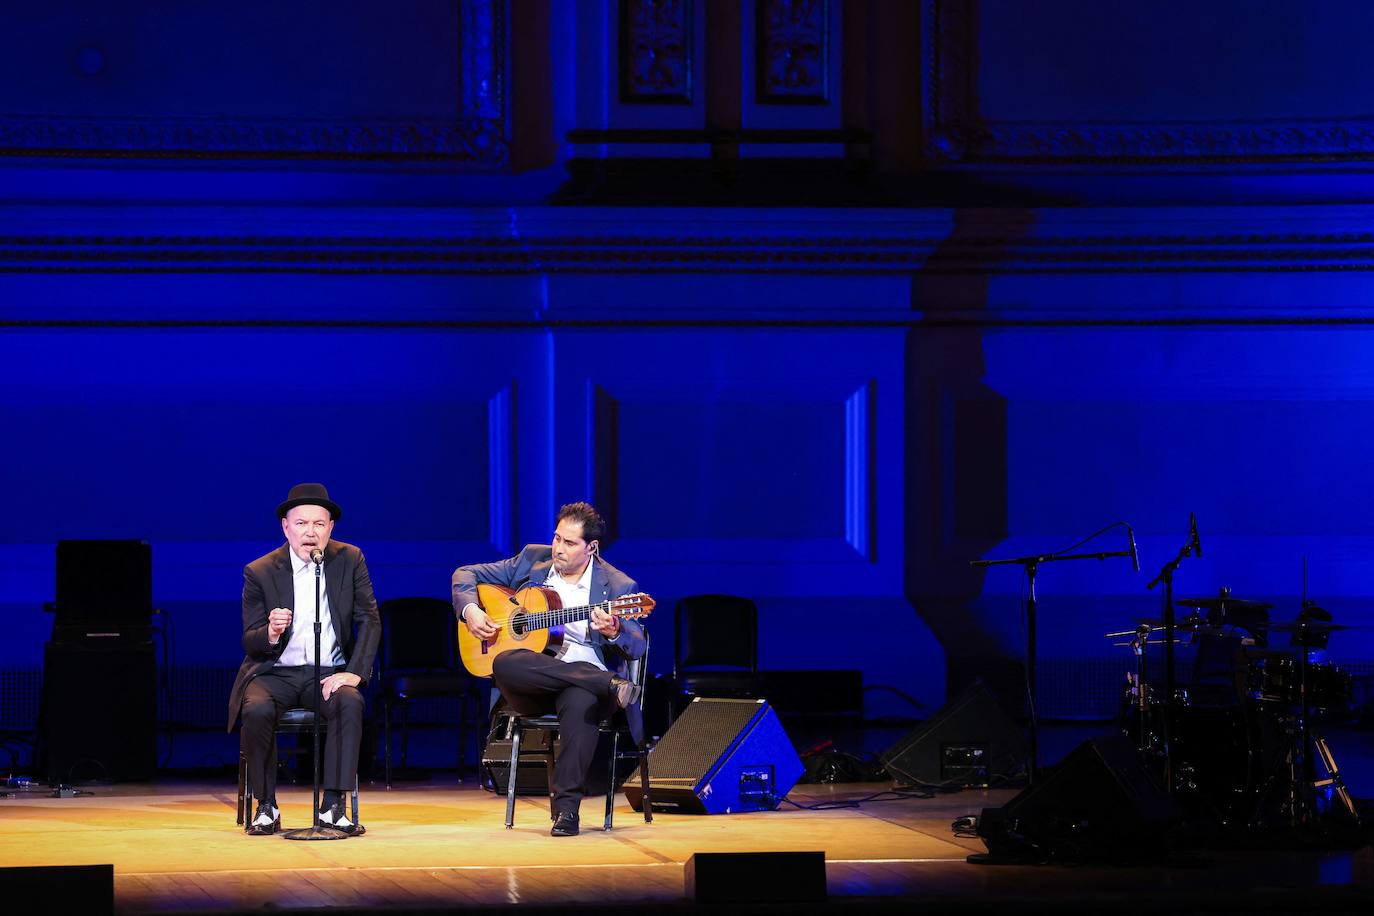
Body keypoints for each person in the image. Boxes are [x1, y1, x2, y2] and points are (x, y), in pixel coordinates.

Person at [453, 501, 646, 837]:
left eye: (569, 543)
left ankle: (567, 812)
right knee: (503, 661)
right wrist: (470, 610)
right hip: (531, 684)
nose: (558, 548)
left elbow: (638, 644)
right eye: (557, 539)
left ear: (592, 547)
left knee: (581, 698)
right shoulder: (532, 559)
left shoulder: (617, 586)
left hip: (581, 685)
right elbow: (464, 574)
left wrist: (614, 630)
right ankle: (607, 682)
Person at [228, 483, 381, 836]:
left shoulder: (350, 559)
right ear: (286, 527)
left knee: (349, 703)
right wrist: (270, 632)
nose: (310, 533)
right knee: (256, 709)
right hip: (274, 673)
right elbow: (249, 640)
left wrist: (355, 674)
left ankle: (333, 805)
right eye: (301, 524)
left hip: (327, 672)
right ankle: (266, 805)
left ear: (331, 528)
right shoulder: (260, 571)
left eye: (318, 524)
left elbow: (369, 620)